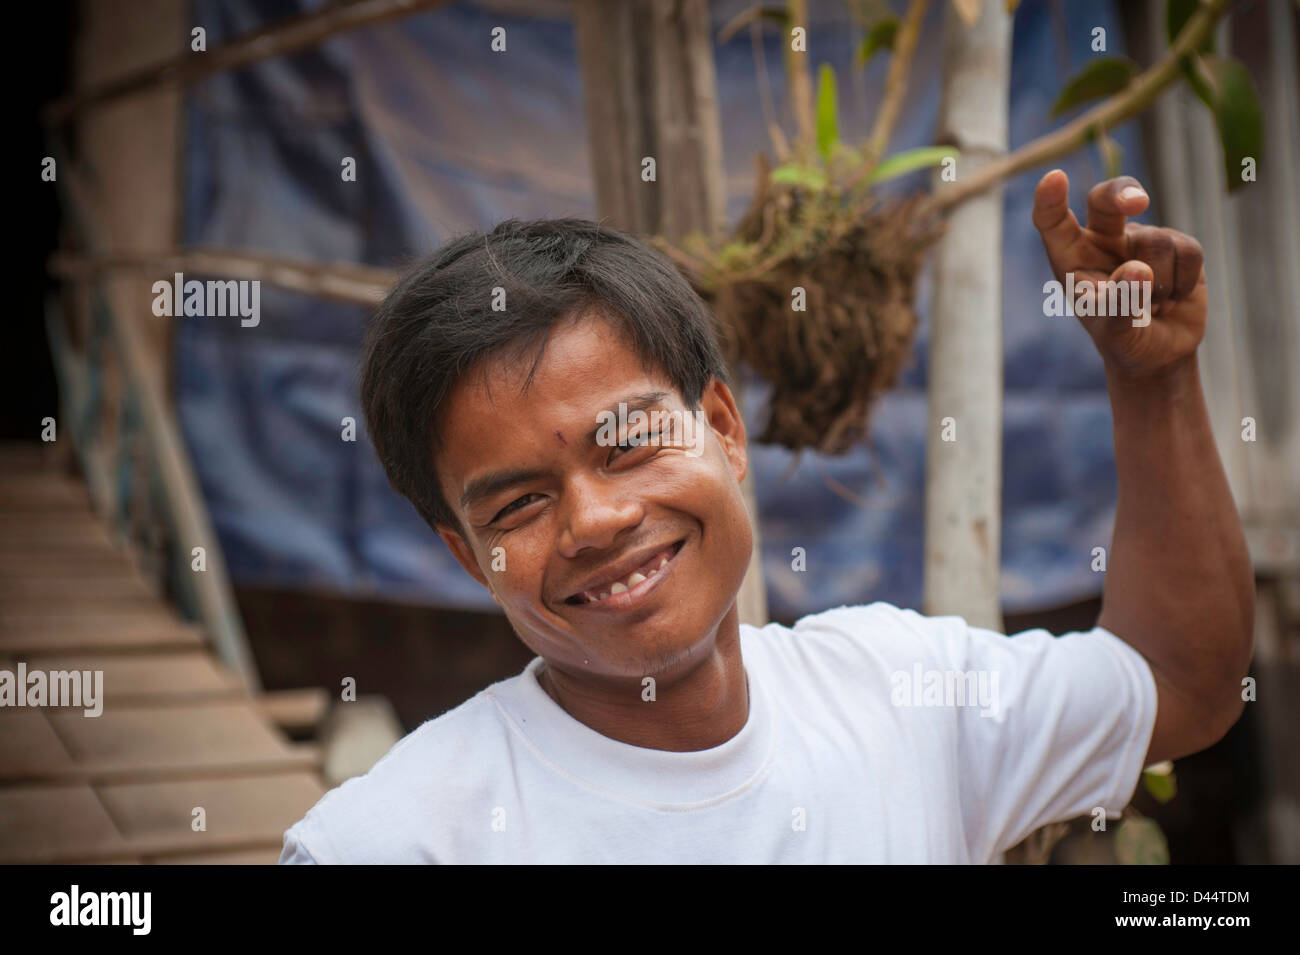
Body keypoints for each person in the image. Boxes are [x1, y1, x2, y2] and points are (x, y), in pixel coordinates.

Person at [279, 171, 1254, 863]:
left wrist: (1153, 378)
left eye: (627, 444)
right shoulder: (396, 840)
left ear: (723, 428)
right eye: (522, 501)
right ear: (465, 554)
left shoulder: (901, 697)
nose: (595, 518)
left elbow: (1180, 682)